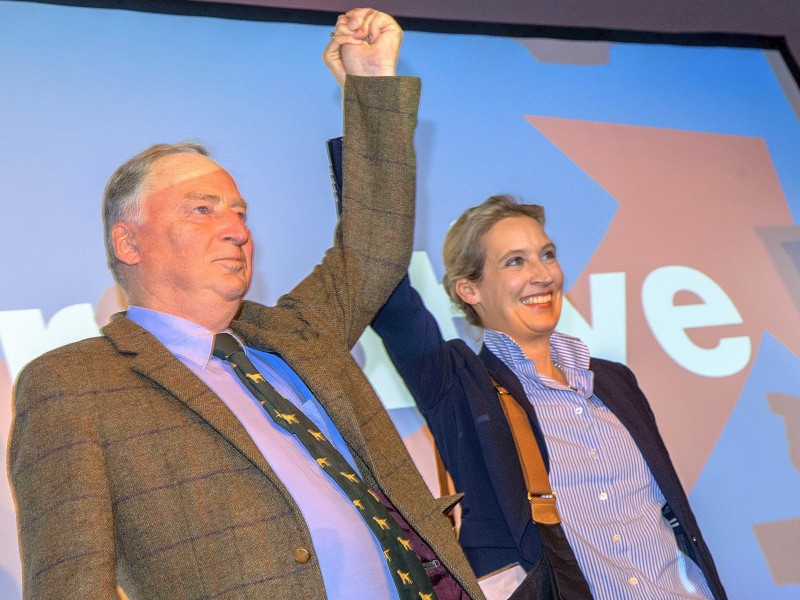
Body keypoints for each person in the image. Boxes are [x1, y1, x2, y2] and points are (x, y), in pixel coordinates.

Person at [8, 9, 482, 600]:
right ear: (127, 242)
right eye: (202, 209)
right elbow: (69, 587)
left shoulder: (296, 335)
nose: (236, 228)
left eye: (240, 212)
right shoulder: (71, 385)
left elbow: (373, 247)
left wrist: (371, 87)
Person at [371, 195, 728, 599]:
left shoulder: (614, 380)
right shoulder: (459, 387)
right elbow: (390, 302)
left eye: (547, 254)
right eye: (515, 261)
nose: (543, 274)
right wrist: (374, 165)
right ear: (469, 289)